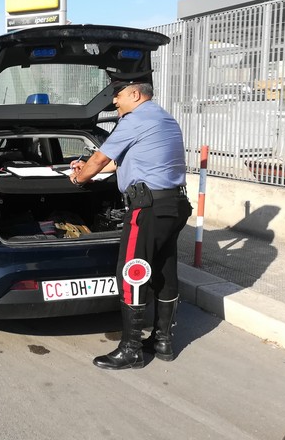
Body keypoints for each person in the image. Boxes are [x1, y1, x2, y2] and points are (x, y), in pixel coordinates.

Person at [70, 70, 192, 370]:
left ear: (135, 94)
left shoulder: (134, 120)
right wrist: (88, 166)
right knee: (163, 270)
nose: (115, 101)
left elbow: (99, 160)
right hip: (173, 205)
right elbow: (120, 162)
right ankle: (162, 342)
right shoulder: (162, 118)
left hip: (148, 207)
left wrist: (80, 177)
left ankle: (131, 348)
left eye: (119, 95)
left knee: (132, 272)